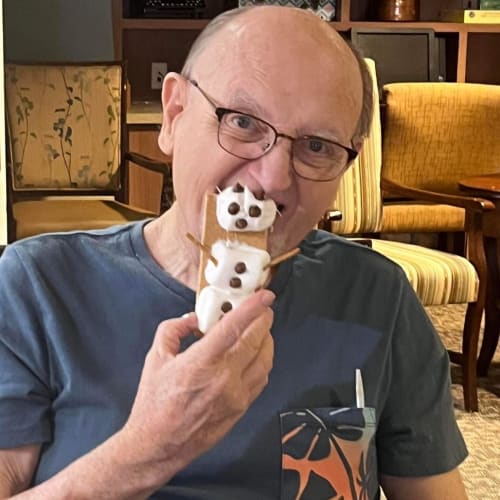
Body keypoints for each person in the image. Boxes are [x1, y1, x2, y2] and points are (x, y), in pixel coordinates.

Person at [0, 5, 468, 499]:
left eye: (316, 146)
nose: (272, 180)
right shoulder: (36, 287)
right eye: (242, 121)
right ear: (174, 115)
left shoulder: (378, 297)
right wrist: (148, 450)